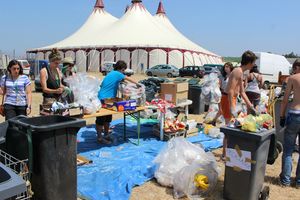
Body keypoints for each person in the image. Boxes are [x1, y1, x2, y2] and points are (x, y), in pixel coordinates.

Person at [96, 60, 141, 144]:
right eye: (124, 70)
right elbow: (128, 79)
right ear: (122, 69)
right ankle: (99, 138)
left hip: (108, 98)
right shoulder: (118, 74)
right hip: (104, 98)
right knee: (101, 118)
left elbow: (120, 81)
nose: (124, 72)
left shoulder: (111, 73)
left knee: (108, 118)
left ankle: (106, 135)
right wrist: (138, 84)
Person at [279, 59, 300, 188]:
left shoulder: (292, 78)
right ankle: (298, 182)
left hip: (295, 113)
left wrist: (281, 116)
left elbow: (285, 100)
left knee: (288, 150)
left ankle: (285, 180)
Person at [225, 50, 258, 119]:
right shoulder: (238, 71)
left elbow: (242, 92)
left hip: (232, 98)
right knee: (229, 124)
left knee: (233, 122)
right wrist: (232, 107)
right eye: (254, 62)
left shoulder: (241, 72)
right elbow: (231, 90)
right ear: (249, 62)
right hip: (228, 98)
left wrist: (251, 106)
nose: (254, 64)